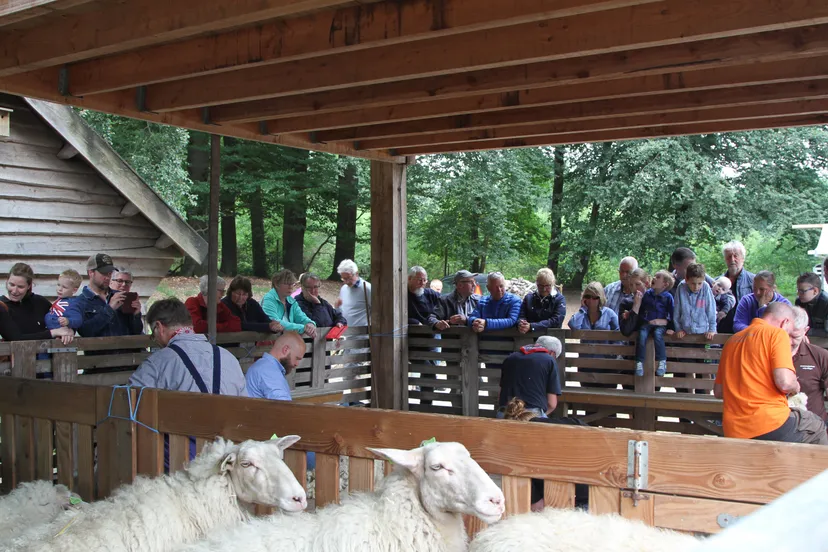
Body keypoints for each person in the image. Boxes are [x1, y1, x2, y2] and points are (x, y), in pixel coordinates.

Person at [714, 302, 827, 445]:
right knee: (817, 426)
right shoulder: (777, 334)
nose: (789, 339)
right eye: (789, 331)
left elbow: (719, 391)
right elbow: (785, 383)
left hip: (734, 429)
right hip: (770, 423)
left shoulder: (732, 340)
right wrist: (795, 386)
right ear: (785, 322)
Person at [129, 298, 247, 396]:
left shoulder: (157, 362)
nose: (155, 340)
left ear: (159, 327)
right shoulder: (228, 358)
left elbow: (131, 401)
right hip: (229, 423)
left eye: (153, 335)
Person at [63, 253, 143, 338]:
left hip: (130, 350)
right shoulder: (79, 302)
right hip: (101, 351)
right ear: (91, 273)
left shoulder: (120, 296)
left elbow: (137, 331)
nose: (108, 277)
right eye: (104, 273)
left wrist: (136, 314)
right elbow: (85, 332)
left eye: (110, 273)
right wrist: (109, 309)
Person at [0, 262, 74, 343]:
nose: (14, 291)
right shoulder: (2, 306)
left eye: (20, 287)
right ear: (7, 282)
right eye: (12, 285)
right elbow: (15, 338)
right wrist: (53, 333)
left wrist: (69, 330)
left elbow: (65, 317)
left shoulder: (40, 302)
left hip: (46, 354)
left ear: (29, 286)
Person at [497, 335, 563, 419]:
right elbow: (551, 404)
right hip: (531, 416)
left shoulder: (510, 358)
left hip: (505, 413)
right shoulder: (549, 360)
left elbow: (500, 396)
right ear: (552, 353)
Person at [789, 306, 828, 425]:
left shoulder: (820, 356)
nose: (788, 341)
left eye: (795, 337)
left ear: (805, 330)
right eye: (785, 334)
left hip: (813, 426)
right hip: (777, 425)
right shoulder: (766, 354)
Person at [633, 270, 675, 377]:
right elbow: (641, 309)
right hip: (647, 322)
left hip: (661, 324)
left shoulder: (668, 297)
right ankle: (639, 362)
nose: (654, 278)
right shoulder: (647, 294)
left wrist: (671, 327)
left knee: (658, 335)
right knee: (642, 334)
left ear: (665, 284)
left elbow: (672, 313)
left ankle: (662, 362)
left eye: (658, 277)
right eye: (655, 276)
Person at [245, 332, 307, 401]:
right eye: (297, 358)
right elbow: (284, 408)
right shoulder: (269, 372)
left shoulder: (262, 365)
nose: (297, 364)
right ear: (285, 350)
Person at [262, 270, 317, 337]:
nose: (290, 286)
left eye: (292, 284)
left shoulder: (291, 301)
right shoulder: (268, 299)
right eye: (287, 283)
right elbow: (275, 322)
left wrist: (310, 323)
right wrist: (302, 328)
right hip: (267, 343)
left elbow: (301, 317)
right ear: (276, 284)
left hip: (286, 342)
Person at [672, 263, 716, 341]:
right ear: (686, 279)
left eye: (699, 283)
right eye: (693, 283)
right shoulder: (681, 287)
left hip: (703, 332)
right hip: (685, 332)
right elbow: (677, 310)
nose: (696, 287)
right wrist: (678, 328)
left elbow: (711, 309)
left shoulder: (706, 287)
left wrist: (712, 330)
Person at [719, 240, 755, 333]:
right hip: (722, 333)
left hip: (746, 331)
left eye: (736, 256)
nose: (732, 260)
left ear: (743, 258)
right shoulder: (717, 282)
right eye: (729, 256)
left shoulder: (753, 280)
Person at [517, 267, 566, 333]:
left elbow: (556, 321)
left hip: (551, 338)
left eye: (547, 286)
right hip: (528, 338)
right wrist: (522, 323)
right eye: (541, 286)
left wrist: (532, 327)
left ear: (553, 283)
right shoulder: (528, 298)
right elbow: (521, 316)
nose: (544, 289)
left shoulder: (559, 299)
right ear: (536, 283)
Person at [407, 266, 449, 331]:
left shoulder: (430, 294)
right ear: (409, 278)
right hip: (411, 335)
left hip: (433, 332)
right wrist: (412, 321)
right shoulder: (402, 296)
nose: (422, 283)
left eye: (425, 280)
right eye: (420, 280)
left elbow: (446, 300)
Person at [335, 259, 371, 328]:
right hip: (345, 333)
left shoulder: (367, 288)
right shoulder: (344, 288)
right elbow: (342, 311)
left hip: (361, 334)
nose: (346, 282)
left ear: (356, 273)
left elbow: (377, 312)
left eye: (348, 278)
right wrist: (337, 307)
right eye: (343, 279)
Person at [794, 272, 828, 336]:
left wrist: (806, 331)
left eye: (802, 291)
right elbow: (797, 325)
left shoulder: (826, 304)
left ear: (815, 291)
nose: (798, 294)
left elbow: (827, 331)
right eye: (798, 290)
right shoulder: (799, 302)